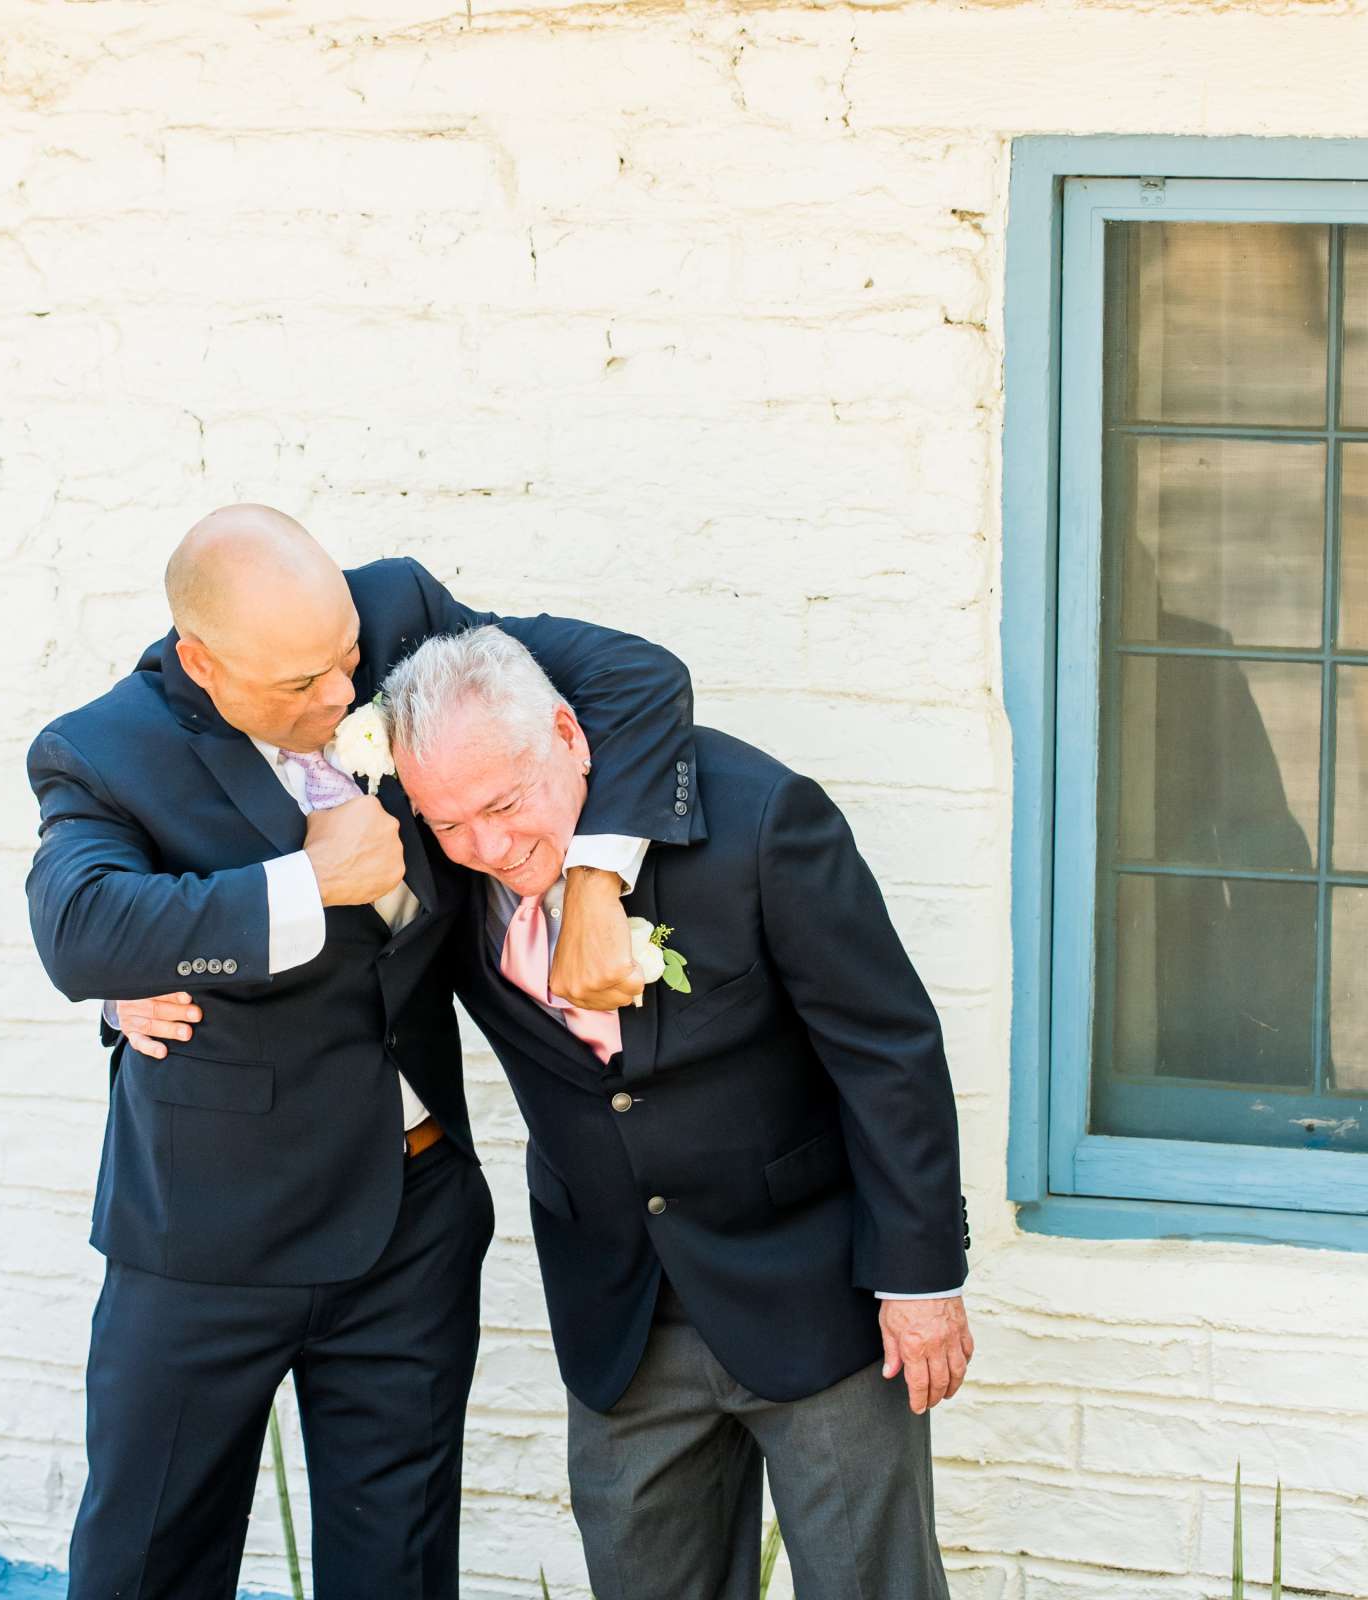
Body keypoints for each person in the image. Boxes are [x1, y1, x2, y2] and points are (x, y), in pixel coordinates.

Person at [23, 506, 698, 1599]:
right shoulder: (104, 751)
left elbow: (634, 679)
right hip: (205, 1243)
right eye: (301, 686)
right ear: (204, 662)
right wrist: (303, 884)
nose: (342, 699)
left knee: (397, 1569)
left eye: (346, 665)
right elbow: (79, 931)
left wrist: (592, 881)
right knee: (150, 1563)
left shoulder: (400, 615)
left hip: (410, 1223)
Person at [384, 624, 973, 1600]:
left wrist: (920, 1278)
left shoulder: (763, 821)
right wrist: (138, 982)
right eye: (449, 822)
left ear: (570, 738)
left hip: (816, 1287)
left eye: (504, 803)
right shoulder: (445, 866)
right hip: (618, 1309)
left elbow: (887, 1049)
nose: (487, 845)